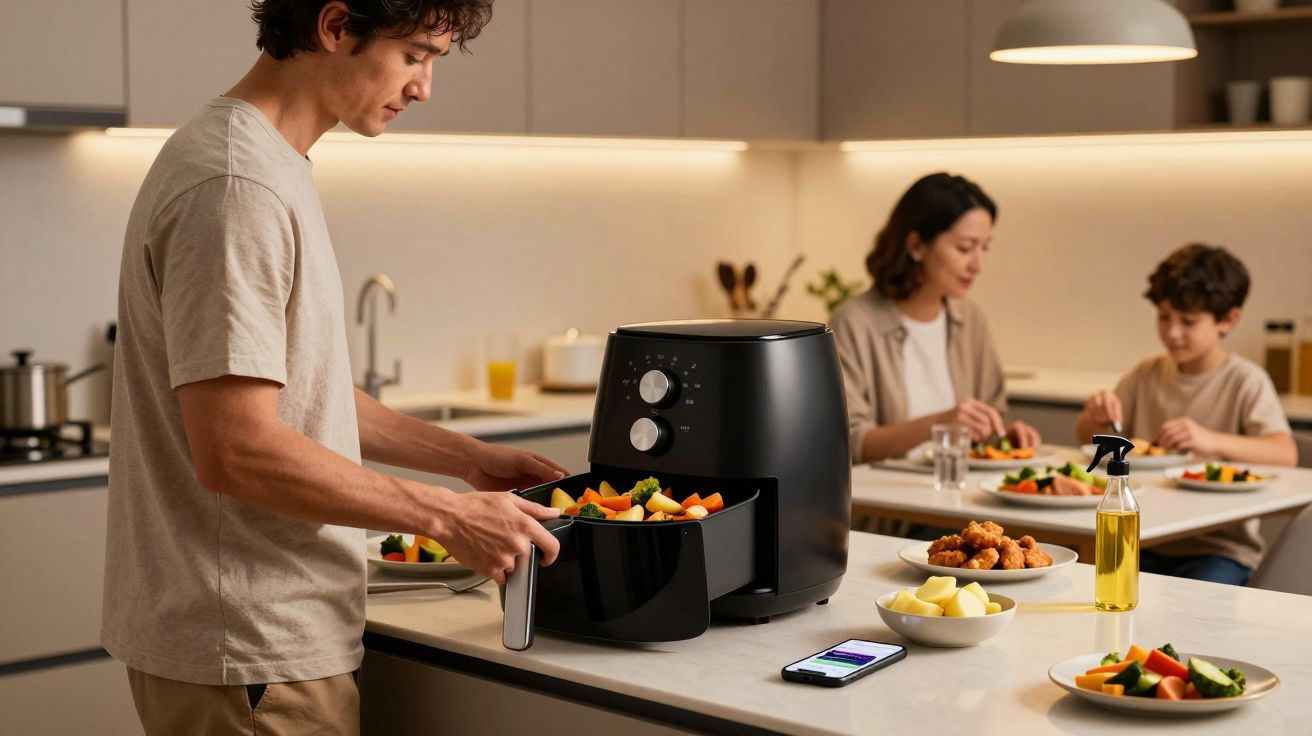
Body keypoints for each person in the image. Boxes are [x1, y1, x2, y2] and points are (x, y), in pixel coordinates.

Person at [102, 2, 566, 733]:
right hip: (252, 649)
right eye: (415, 54)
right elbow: (236, 448)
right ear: (335, 25)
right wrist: (445, 515)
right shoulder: (236, 186)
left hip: (259, 643)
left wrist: (463, 458)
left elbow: (299, 396)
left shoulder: (263, 164)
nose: (424, 88)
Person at [1076, 243, 1296, 585]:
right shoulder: (1146, 374)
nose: (1172, 332)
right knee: (1096, 588)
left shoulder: (1245, 381)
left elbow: (1285, 453)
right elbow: (1086, 437)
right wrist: (1098, 418)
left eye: (1188, 321)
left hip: (1218, 550)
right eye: (1164, 317)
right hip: (1147, 539)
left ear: (1228, 320)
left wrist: (1209, 439)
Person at [831, 172, 1041, 466]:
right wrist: (941, 424)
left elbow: (984, 423)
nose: (978, 264)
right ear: (916, 245)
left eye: (985, 247)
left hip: (958, 500)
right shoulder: (853, 323)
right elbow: (852, 444)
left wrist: (1002, 436)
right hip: (888, 507)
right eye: (965, 248)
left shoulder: (970, 320)